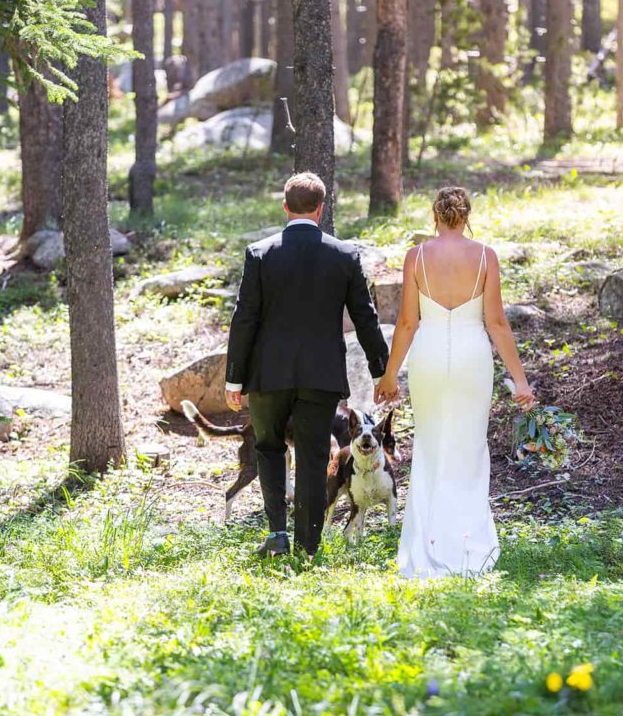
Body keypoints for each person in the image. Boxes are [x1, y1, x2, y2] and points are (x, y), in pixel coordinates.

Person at [225, 172, 389, 558]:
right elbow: (365, 316)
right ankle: (308, 545)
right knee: (315, 456)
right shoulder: (344, 255)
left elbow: (244, 318)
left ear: (285, 207)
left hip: (268, 374)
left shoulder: (260, 253)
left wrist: (234, 379)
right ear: (320, 209)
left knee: (268, 449)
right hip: (321, 375)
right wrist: (380, 370)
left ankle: (278, 534)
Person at [374, 186, 535, 579]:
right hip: (470, 358)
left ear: (436, 215)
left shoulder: (416, 257)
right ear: (466, 216)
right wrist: (521, 382)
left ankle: (427, 542)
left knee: (430, 447)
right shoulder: (485, 256)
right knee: (468, 447)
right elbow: (496, 322)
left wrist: (389, 374)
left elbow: (408, 323)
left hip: (428, 357)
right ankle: (467, 543)